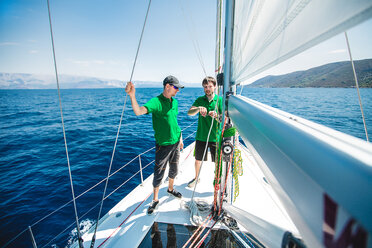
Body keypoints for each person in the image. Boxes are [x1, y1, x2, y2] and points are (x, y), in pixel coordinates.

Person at [125, 75, 184, 215]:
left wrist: (180, 138)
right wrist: (132, 96)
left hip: (176, 142)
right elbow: (138, 112)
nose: (178, 91)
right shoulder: (156, 102)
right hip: (163, 145)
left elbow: (175, 123)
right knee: (159, 173)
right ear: (167, 86)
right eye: (176, 88)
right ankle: (155, 199)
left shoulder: (174, 102)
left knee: (174, 169)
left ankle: (170, 189)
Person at [187, 76, 222, 188]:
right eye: (205, 87)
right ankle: (196, 178)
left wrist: (217, 116)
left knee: (217, 162)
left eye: (210, 86)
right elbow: (189, 113)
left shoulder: (219, 100)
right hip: (201, 136)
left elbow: (225, 118)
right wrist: (198, 109)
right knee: (198, 160)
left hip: (215, 137)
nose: (207, 89)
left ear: (215, 87)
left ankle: (217, 179)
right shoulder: (200, 100)